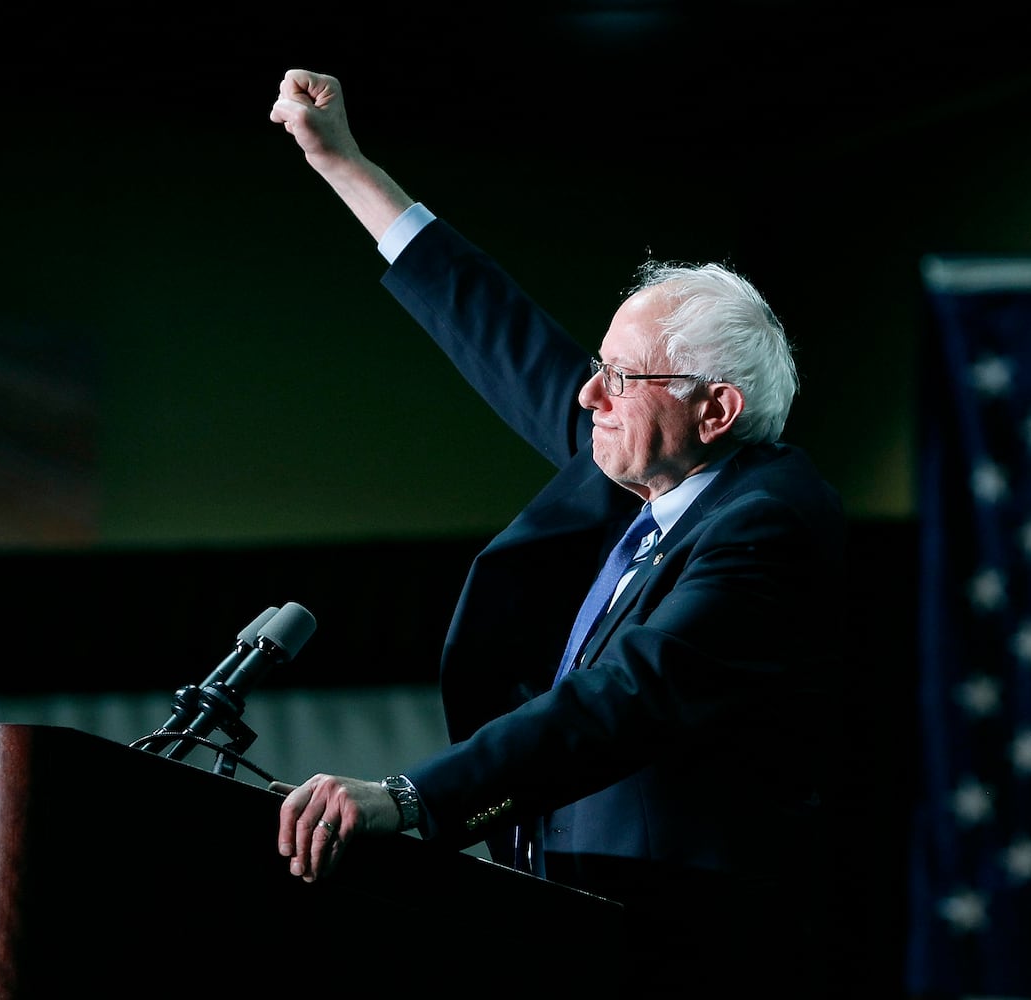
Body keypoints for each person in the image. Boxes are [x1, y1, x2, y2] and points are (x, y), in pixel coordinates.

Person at [266, 68, 847, 997]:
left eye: (620, 377)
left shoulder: (765, 524)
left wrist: (412, 799)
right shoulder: (649, 461)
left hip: (690, 941)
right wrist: (344, 163)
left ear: (716, 408)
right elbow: (495, 330)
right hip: (583, 915)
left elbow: (627, 697)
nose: (588, 397)